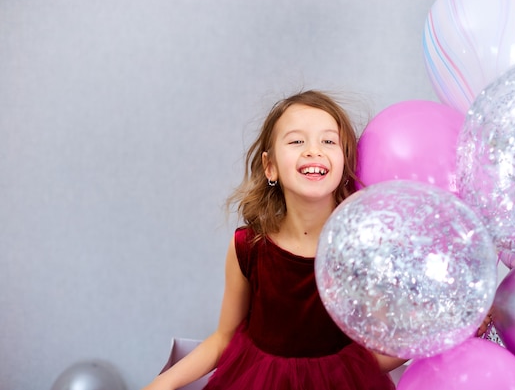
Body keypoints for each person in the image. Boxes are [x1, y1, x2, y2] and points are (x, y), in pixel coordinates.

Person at [142, 90, 406, 390]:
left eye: (328, 141)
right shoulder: (248, 246)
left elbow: (378, 354)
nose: (313, 151)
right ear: (270, 167)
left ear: (345, 161)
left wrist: (453, 331)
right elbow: (223, 339)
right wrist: (160, 385)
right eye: (297, 141)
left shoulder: (363, 250)